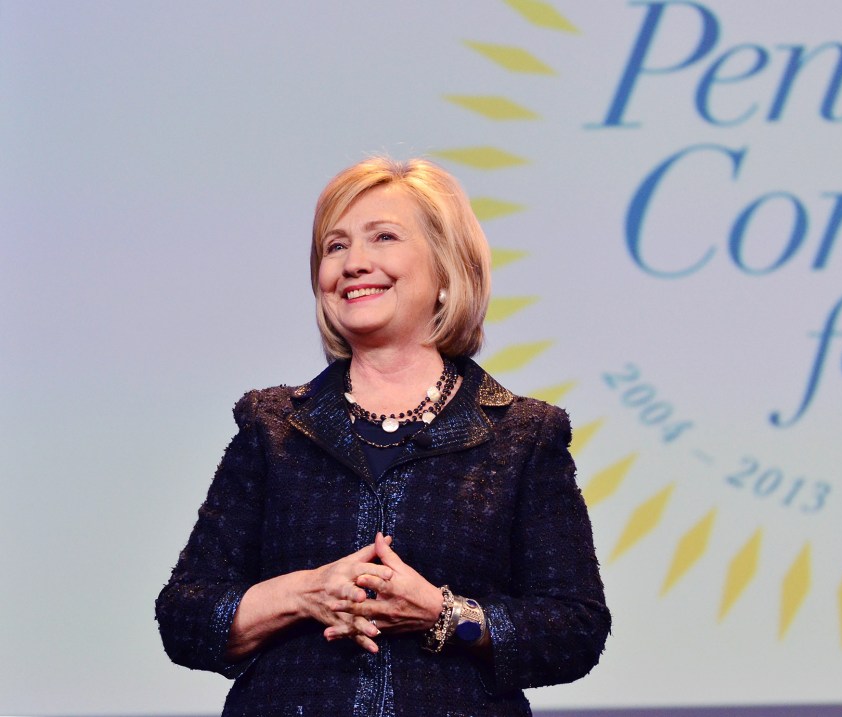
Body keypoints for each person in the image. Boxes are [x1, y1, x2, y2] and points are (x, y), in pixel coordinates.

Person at [155, 157, 610, 716]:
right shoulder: (270, 426)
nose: (353, 264)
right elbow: (184, 616)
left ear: (446, 270)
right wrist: (304, 594)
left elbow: (575, 630)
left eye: (384, 237)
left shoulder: (521, 435)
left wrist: (443, 615)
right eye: (335, 246)